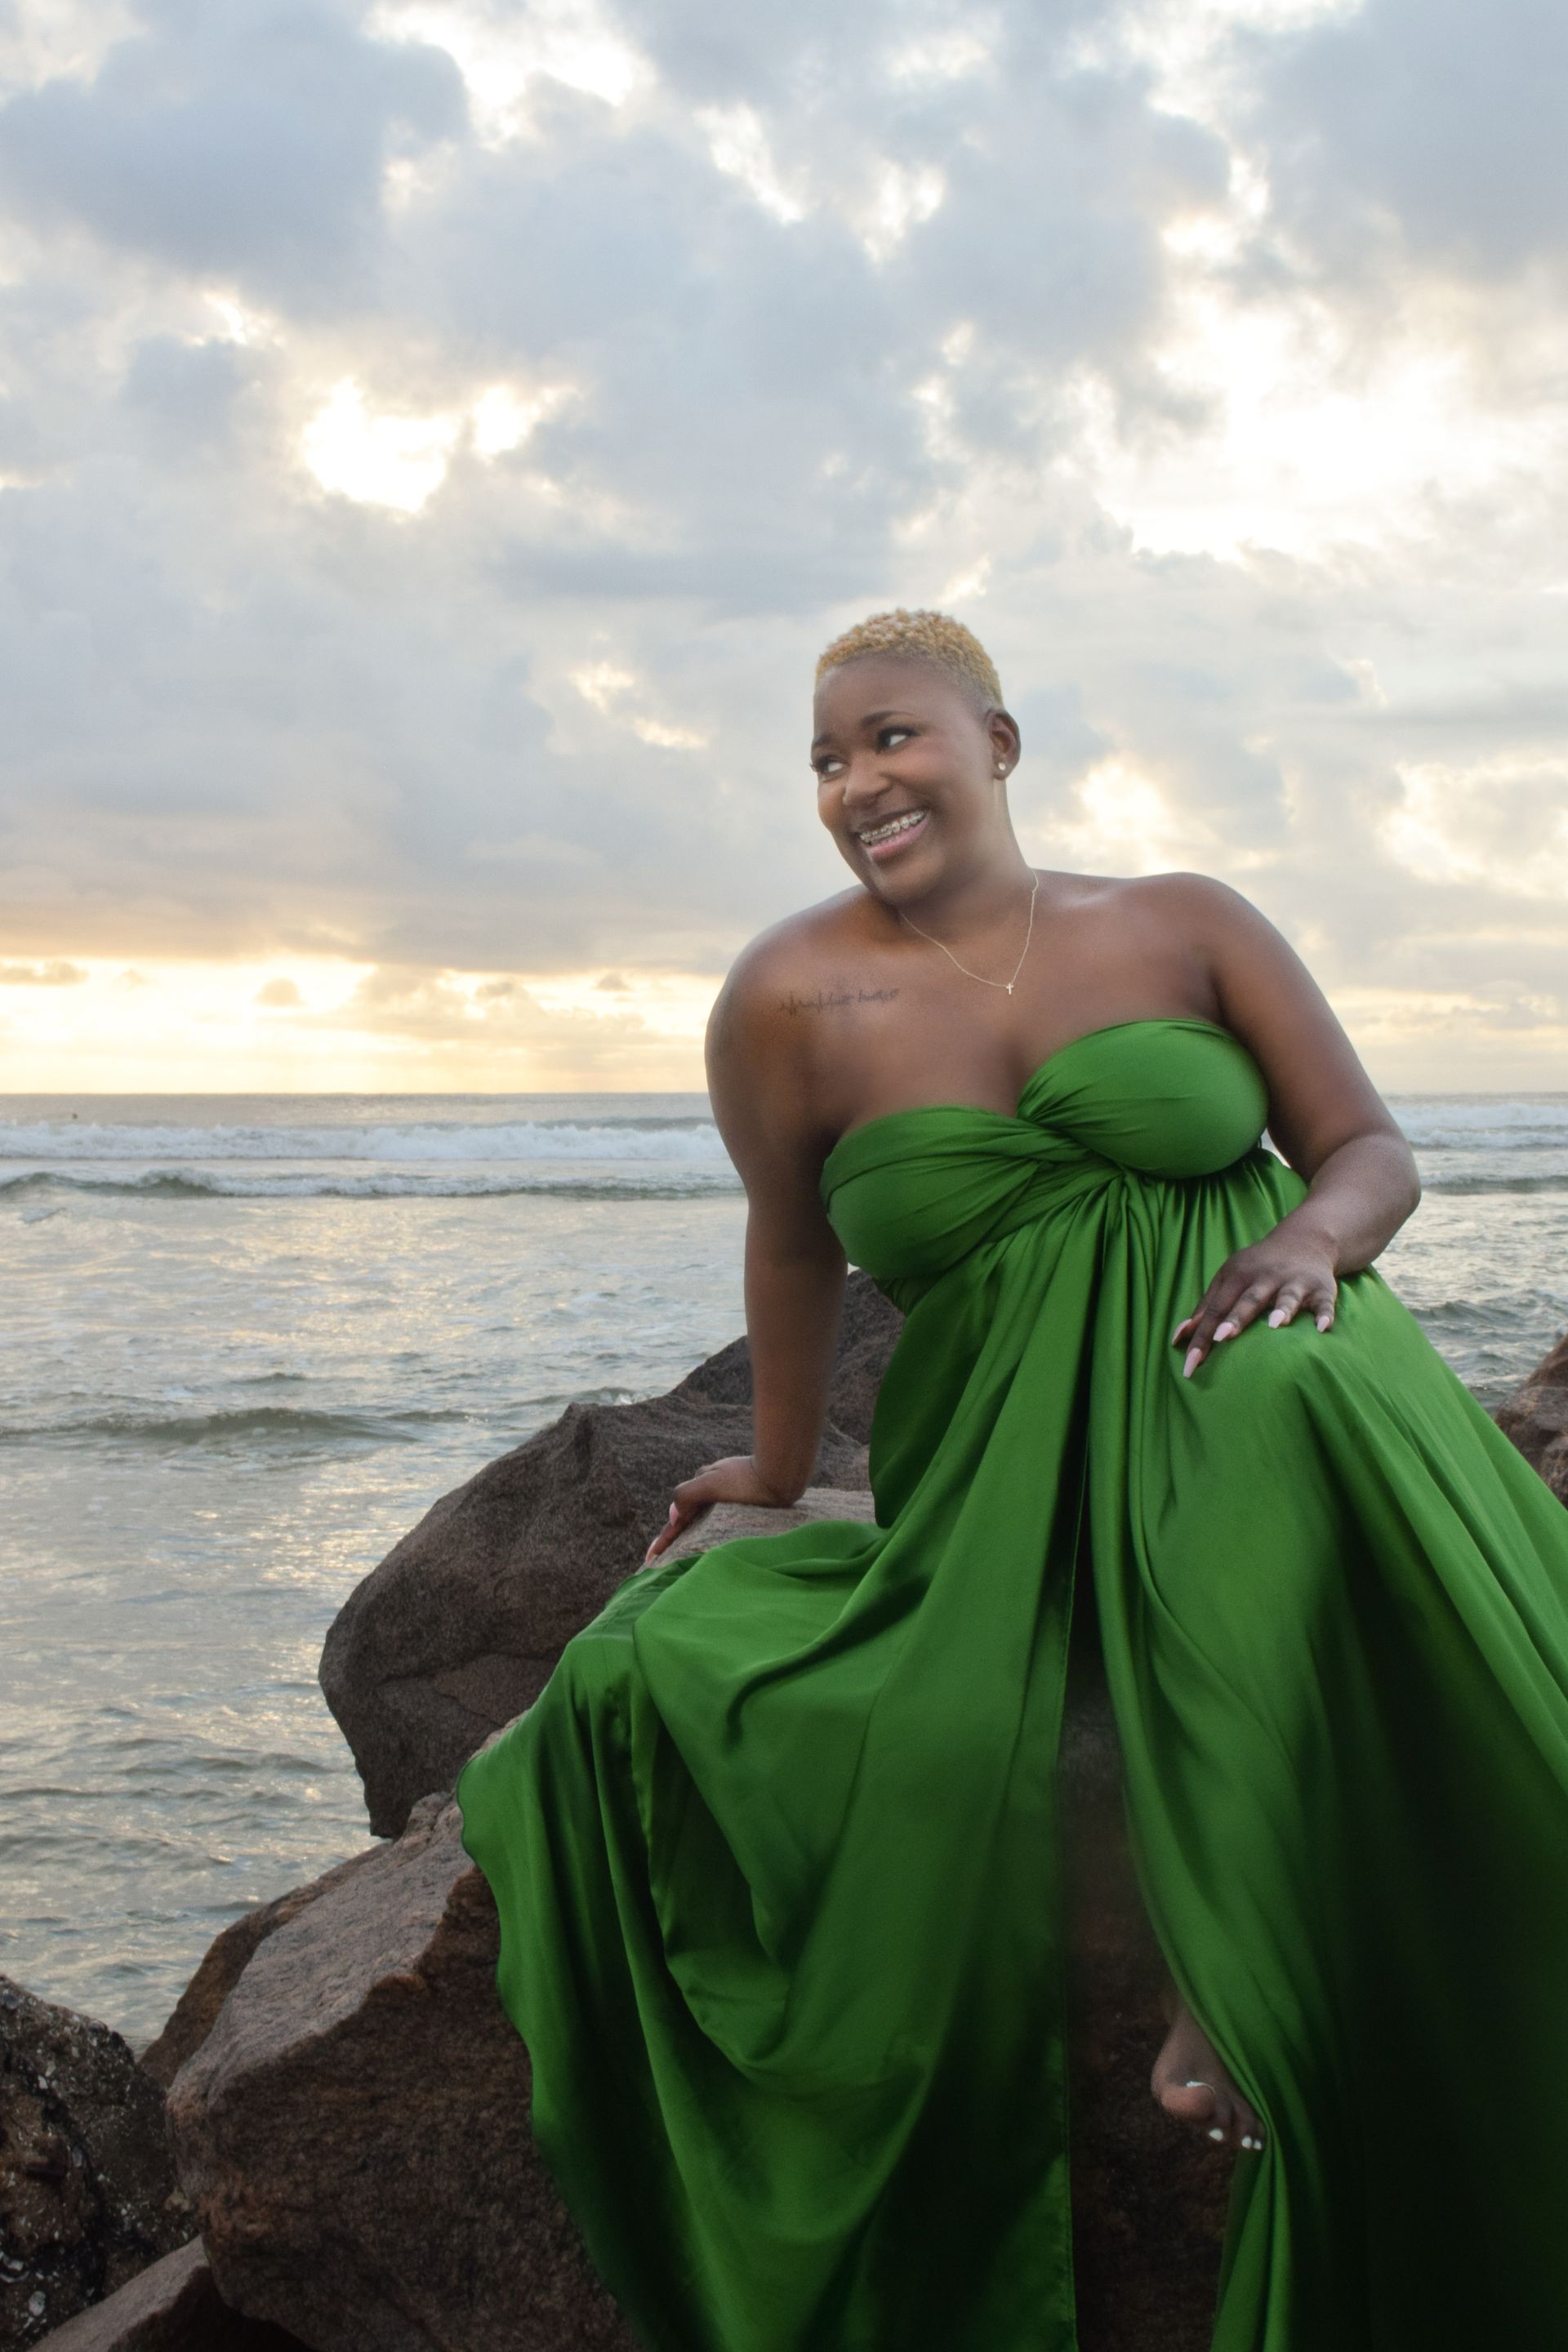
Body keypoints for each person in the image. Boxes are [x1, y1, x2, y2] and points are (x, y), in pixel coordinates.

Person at [455, 609, 1568, 2351]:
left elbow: (1372, 1148)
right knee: (749, 1686)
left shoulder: (1183, 920)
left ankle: (1233, 1983)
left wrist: (1306, 1244)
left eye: (891, 738)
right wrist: (774, 1462)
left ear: (998, 742)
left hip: (1260, 1344)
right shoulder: (788, 997)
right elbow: (794, 1252)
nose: (856, 786)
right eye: (825, 762)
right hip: (1008, 1448)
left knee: (1257, 1404)